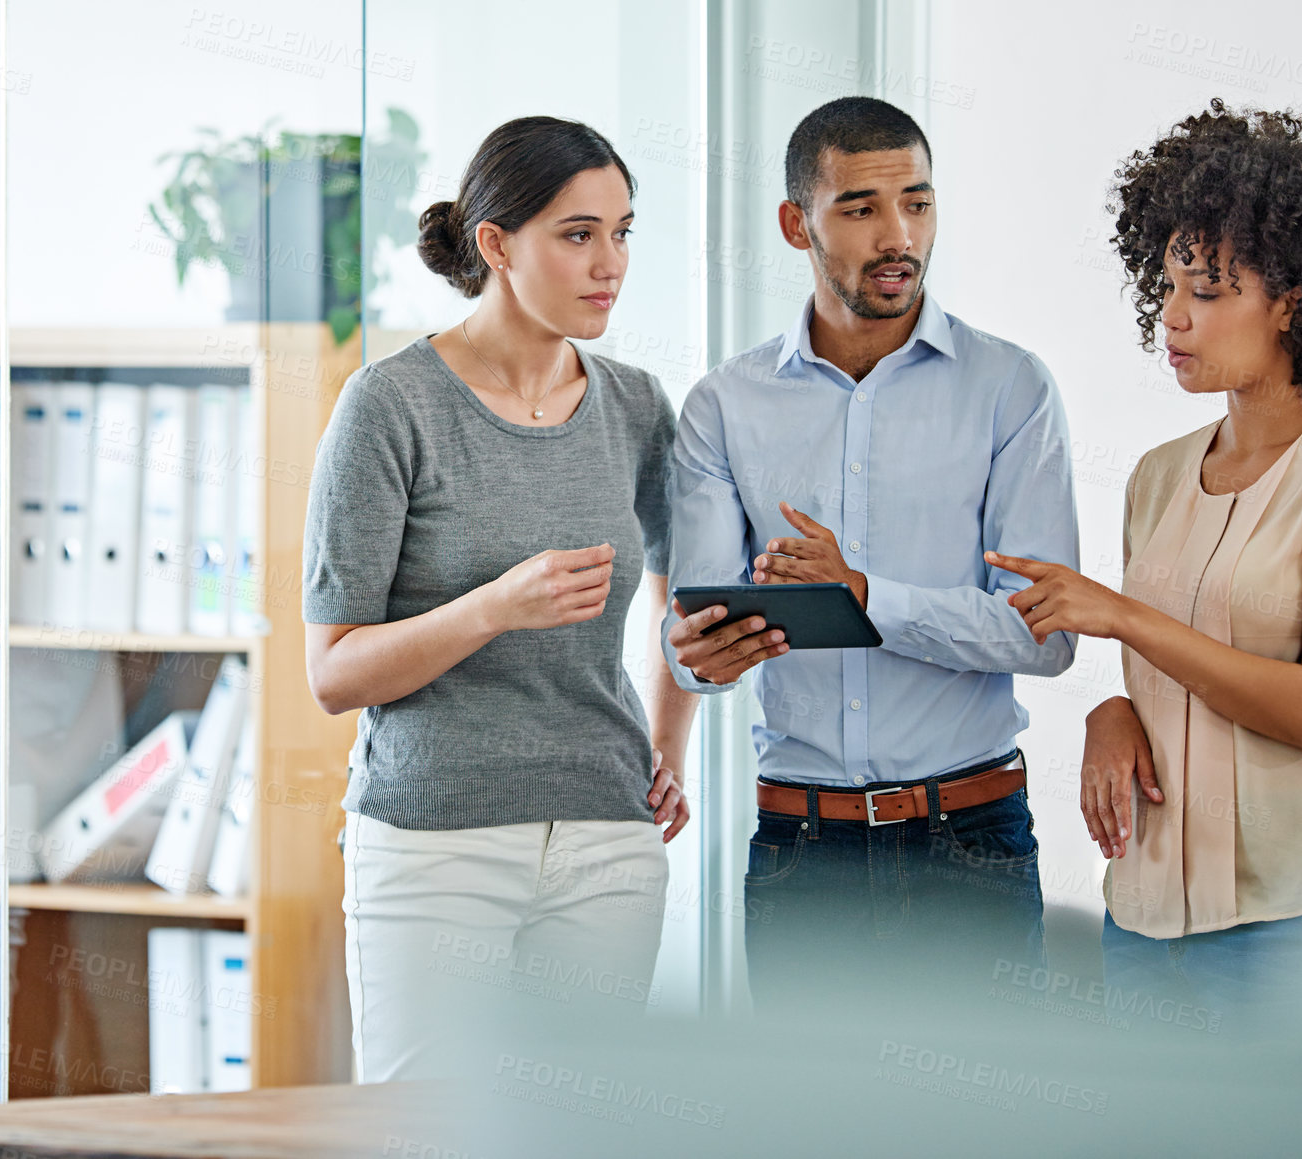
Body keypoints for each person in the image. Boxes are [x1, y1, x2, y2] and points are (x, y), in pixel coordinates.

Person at [988, 99, 1302, 1032]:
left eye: (1209, 290)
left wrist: (1123, 616)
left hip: (1301, 925)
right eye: (1167, 287)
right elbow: (1167, 679)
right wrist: (1112, 709)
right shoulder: (1155, 477)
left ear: (1294, 301)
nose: (1173, 317)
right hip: (1143, 919)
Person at [302, 117, 699, 1082]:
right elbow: (332, 671)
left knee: (585, 1131)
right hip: (435, 839)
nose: (610, 264)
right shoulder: (390, 406)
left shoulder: (637, 404)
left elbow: (689, 597)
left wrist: (666, 743)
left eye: (622, 232)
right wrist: (491, 607)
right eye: (577, 235)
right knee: (423, 1128)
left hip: (608, 836)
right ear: (495, 245)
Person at [662, 96, 1079, 1011]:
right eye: (860, 208)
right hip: (800, 848)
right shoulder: (722, 406)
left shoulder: (1010, 390)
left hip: (970, 840)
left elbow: (1045, 637)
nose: (899, 235)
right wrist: (696, 655)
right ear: (795, 223)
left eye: (918, 203)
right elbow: (692, 638)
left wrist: (860, 592)